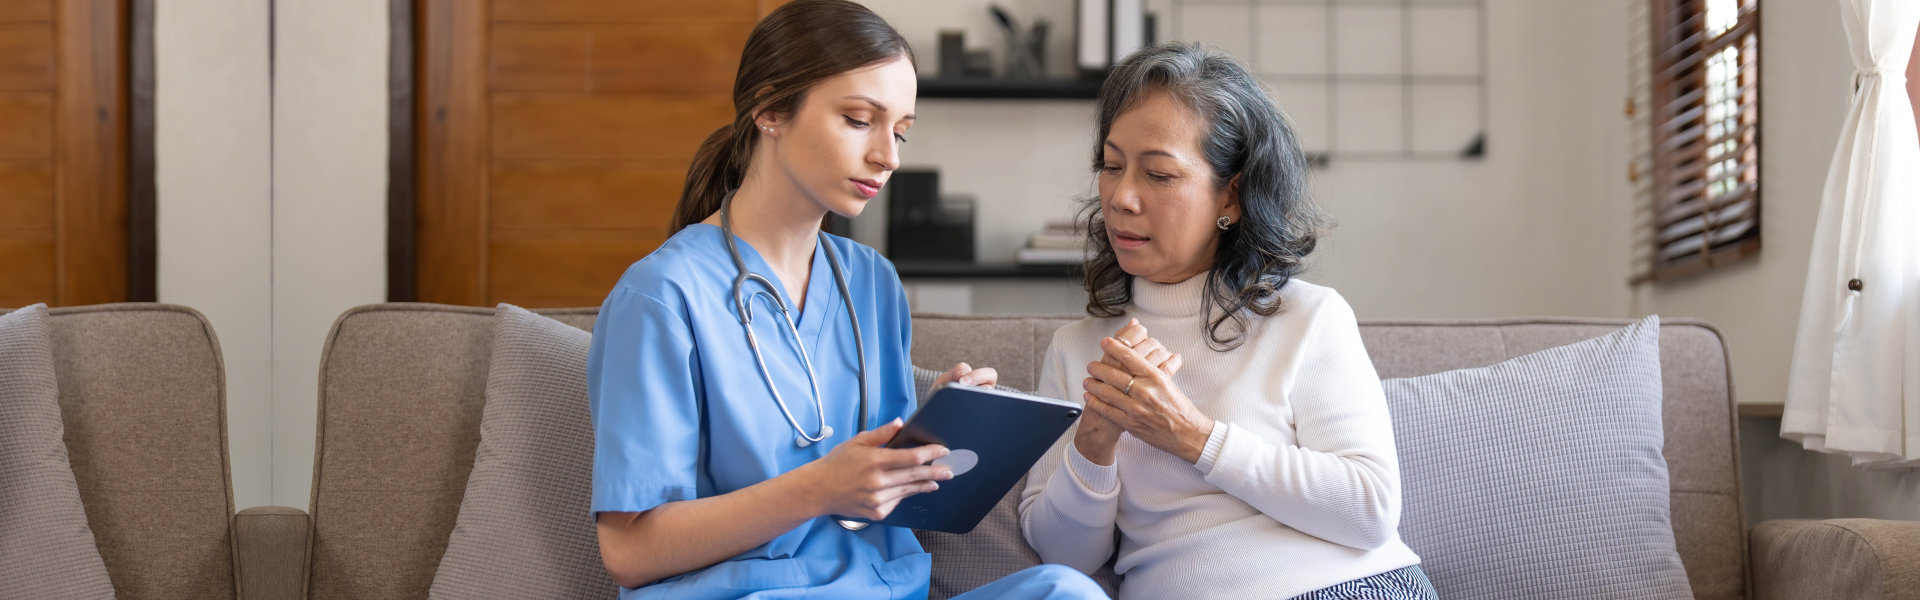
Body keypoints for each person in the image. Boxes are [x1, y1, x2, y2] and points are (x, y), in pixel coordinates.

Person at [587, 2, 1106, 598]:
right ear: (770, 109)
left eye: (902, 131)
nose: (889, 155)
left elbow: (873, 499)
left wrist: (925, 439)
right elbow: (628, 552)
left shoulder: (872, 283)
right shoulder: (660, 297)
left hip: (883, 587)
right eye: (860, 120)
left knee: (1065, 591)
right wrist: (819, 487)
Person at [1018, 42, 1439, 600]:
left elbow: (1368, 509)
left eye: (1159, 175)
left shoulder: (1308, 318)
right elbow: (1063, 559)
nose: (1121, 197)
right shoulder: (1078, 351)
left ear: (1232, 196)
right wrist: (1094, 442)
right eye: (1112, 166)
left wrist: (1192, 436)